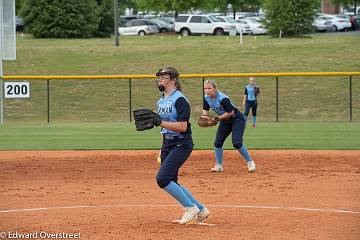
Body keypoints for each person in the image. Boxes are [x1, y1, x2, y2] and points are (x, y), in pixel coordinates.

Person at [135, 66, 210, 225]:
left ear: (173, 79)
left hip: (181, 143)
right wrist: (162, 148)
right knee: (172, 180)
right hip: (167, 143)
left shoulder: (180, 100)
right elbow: (165, 126)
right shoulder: (161, 100)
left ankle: (190, 208)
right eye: (159, 77)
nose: (159, 79)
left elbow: (182, 127)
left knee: (162, 179)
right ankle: (201, 209)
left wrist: (160, 121)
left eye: (163, 77)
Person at [202, 80, 256, 173]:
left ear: (215, 89)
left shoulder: (223, 99)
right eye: (205, 88)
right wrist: (207, 119)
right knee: (218, 143)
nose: (207, 90)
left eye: (209, 88)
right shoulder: (207, 98)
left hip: (237, 119)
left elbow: (231, 112)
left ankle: (250, 162)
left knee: (237, 143)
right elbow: (205, 109)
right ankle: (219, 165)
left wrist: (217, 118)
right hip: (224, 120)